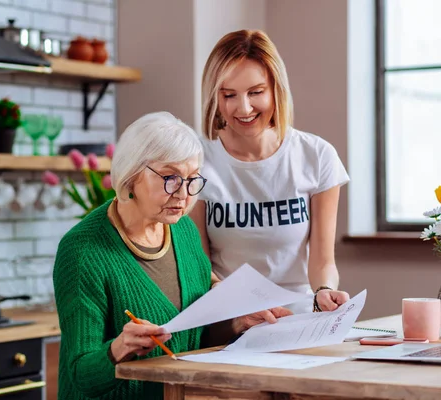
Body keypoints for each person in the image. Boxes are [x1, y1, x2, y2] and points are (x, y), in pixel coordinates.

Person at [53, 111, 292, 400]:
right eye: (170, 177)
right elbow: (80, 374)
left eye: (192, 179)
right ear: (130, 176)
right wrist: (118, 349)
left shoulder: (183, 232)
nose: (183, 194)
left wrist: (237, 322)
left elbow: (195, 332)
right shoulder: (82, 250)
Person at [190, 29, 351, 315]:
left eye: (256, 92)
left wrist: (324, 291)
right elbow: (199, 266)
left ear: (276, 89)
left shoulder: (317, 156)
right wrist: (234, 310)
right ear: (215, 96)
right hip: (228, 317)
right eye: (229, 95)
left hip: (297, 318)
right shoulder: (196, 161)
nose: (244, 107)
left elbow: (323, 261)